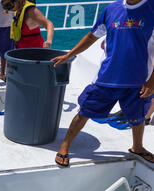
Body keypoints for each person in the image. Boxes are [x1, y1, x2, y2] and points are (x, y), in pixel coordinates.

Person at [52, 0, 154, 167]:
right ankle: (65, 146)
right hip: (107, 77)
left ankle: (137, 147)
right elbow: (92, 36)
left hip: (139, 80)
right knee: (85, 111)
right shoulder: (111, 9)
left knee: (138, 117)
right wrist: (68, 54)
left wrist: (152, 82)